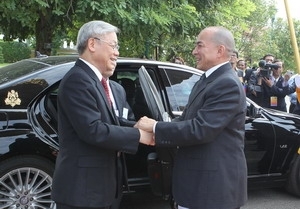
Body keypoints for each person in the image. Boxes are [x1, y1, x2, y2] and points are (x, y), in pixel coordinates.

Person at [135, 26, 247, 209]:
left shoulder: (226, 84)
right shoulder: (207, 80)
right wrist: (156, 134)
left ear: (220, 50)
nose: (194, 51)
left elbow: (201, 129)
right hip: (199, 185)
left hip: (213, 189)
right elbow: (187, 119)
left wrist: (156, 127)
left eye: (199, 46)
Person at [51, 20, 154, 209]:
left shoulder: (98, 82)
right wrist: (139, 135)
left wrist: (137, 125)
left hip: (103, 189)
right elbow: (93, 129)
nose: (117, 52)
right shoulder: (78, 80)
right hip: (82, 193)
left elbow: (110, 121)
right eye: (113, 46)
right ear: (92, 44)